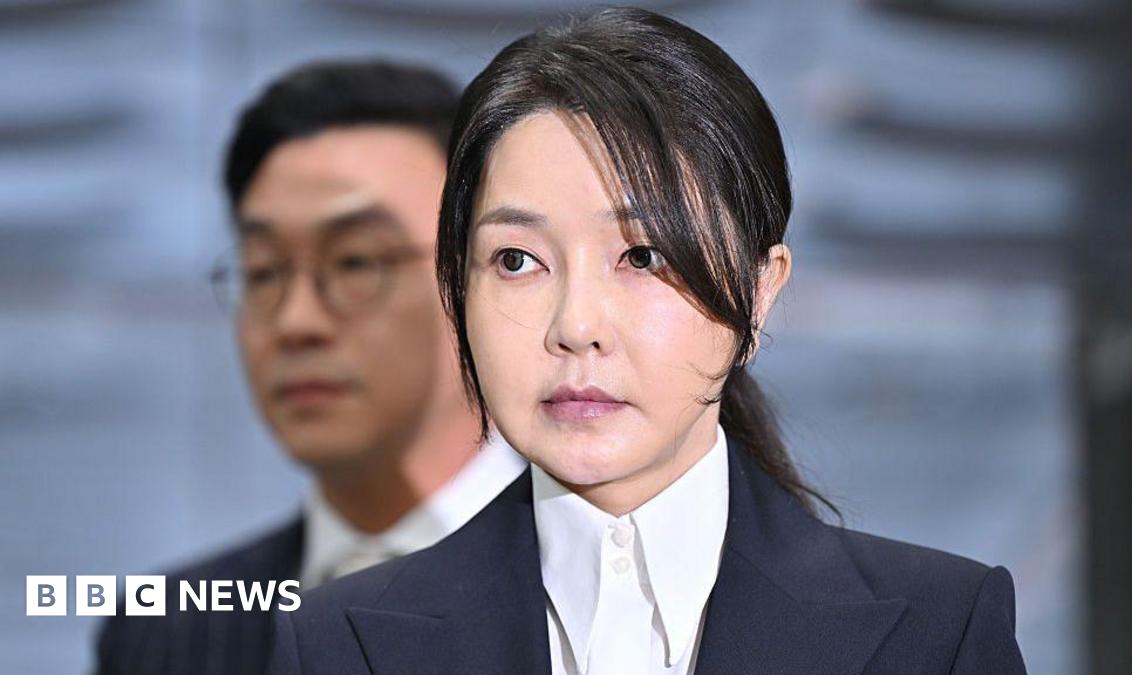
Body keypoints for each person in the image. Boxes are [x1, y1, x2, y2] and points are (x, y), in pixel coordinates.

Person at [267, 9, 1027, 674]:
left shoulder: (937, 634)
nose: (576, 326)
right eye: (517, 260)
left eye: (643, 256)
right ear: (457, 292)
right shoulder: (341, 645)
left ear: (760, 293)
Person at [94, 60, 526, 674]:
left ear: (480, 275)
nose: (297, 321)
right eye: (264, 270)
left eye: (354, 263)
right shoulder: (168, 631)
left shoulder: (605, 584)